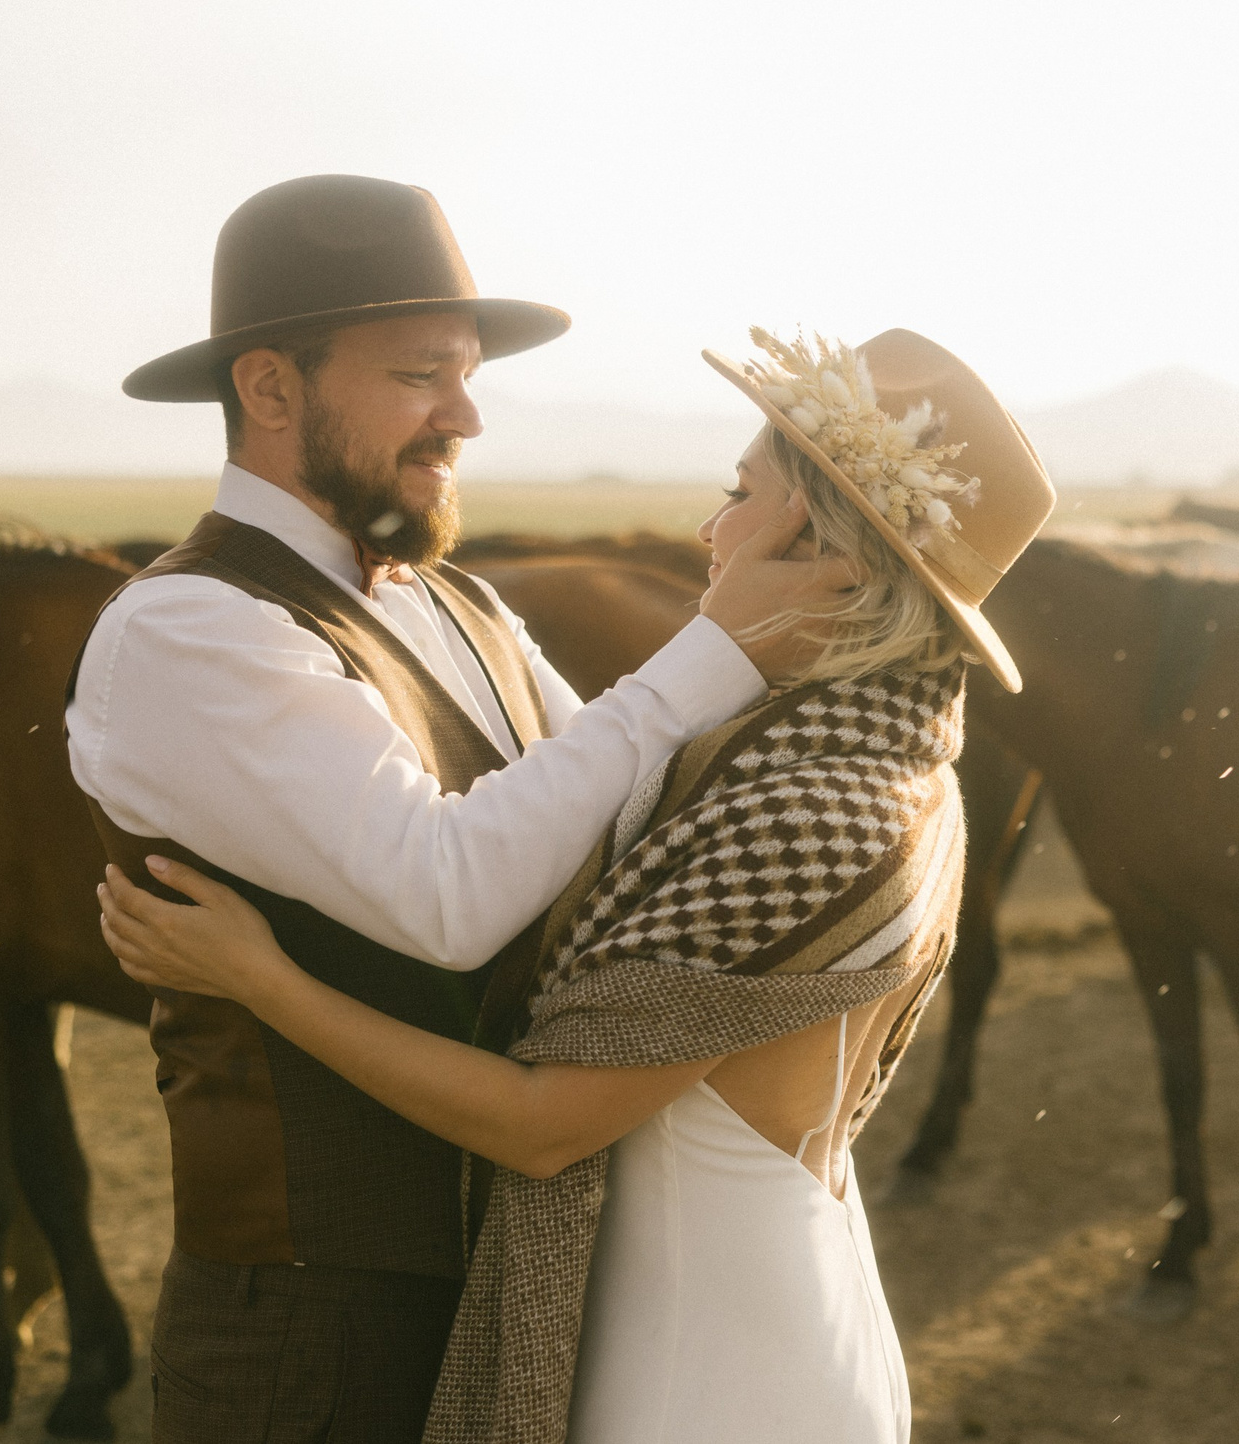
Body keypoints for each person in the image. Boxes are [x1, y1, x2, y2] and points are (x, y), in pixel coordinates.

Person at [100, 325, 1055, 1444]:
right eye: (420, 374)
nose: (708, 527)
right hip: (712, 1318)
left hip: (711, 1355)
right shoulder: (852, 763)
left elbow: (537, 1107)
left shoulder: (811, 805)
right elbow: (583, 805)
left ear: (816, 545)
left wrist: (262, 980)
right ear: (267, 388)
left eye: (738, 493)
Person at [67, 176, 856, 1443]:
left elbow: (619, 819)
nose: (467, 416)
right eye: (424, 373)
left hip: (513, 1265)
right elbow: (446, 899)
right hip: (309, 1318)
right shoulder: (185, 628)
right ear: (270, 389)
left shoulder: (460, 604)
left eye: (469, 373)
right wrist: (712, 649)